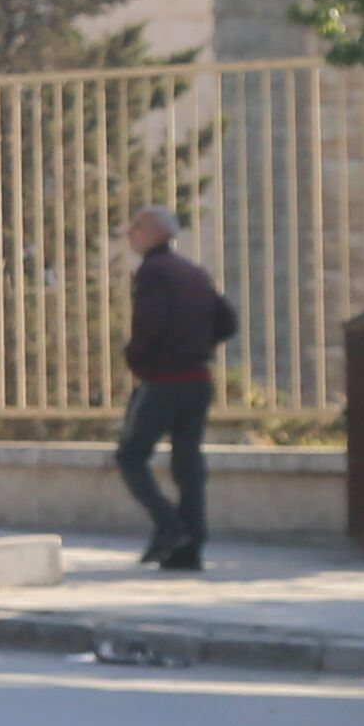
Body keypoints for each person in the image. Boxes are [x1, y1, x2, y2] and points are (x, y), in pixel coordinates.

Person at [114, 205, 235, 574]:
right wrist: (199, 347)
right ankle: (190, 547)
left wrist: (138, 361)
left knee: (131, 456)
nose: (129, 232)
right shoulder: (194, 272)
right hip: (198, 379)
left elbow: (149, 325)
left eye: (135, 226)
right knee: (188, 463)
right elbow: (227, 320)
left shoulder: (153, 272)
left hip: (166, 381)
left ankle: (171, 527)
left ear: (154, 233)